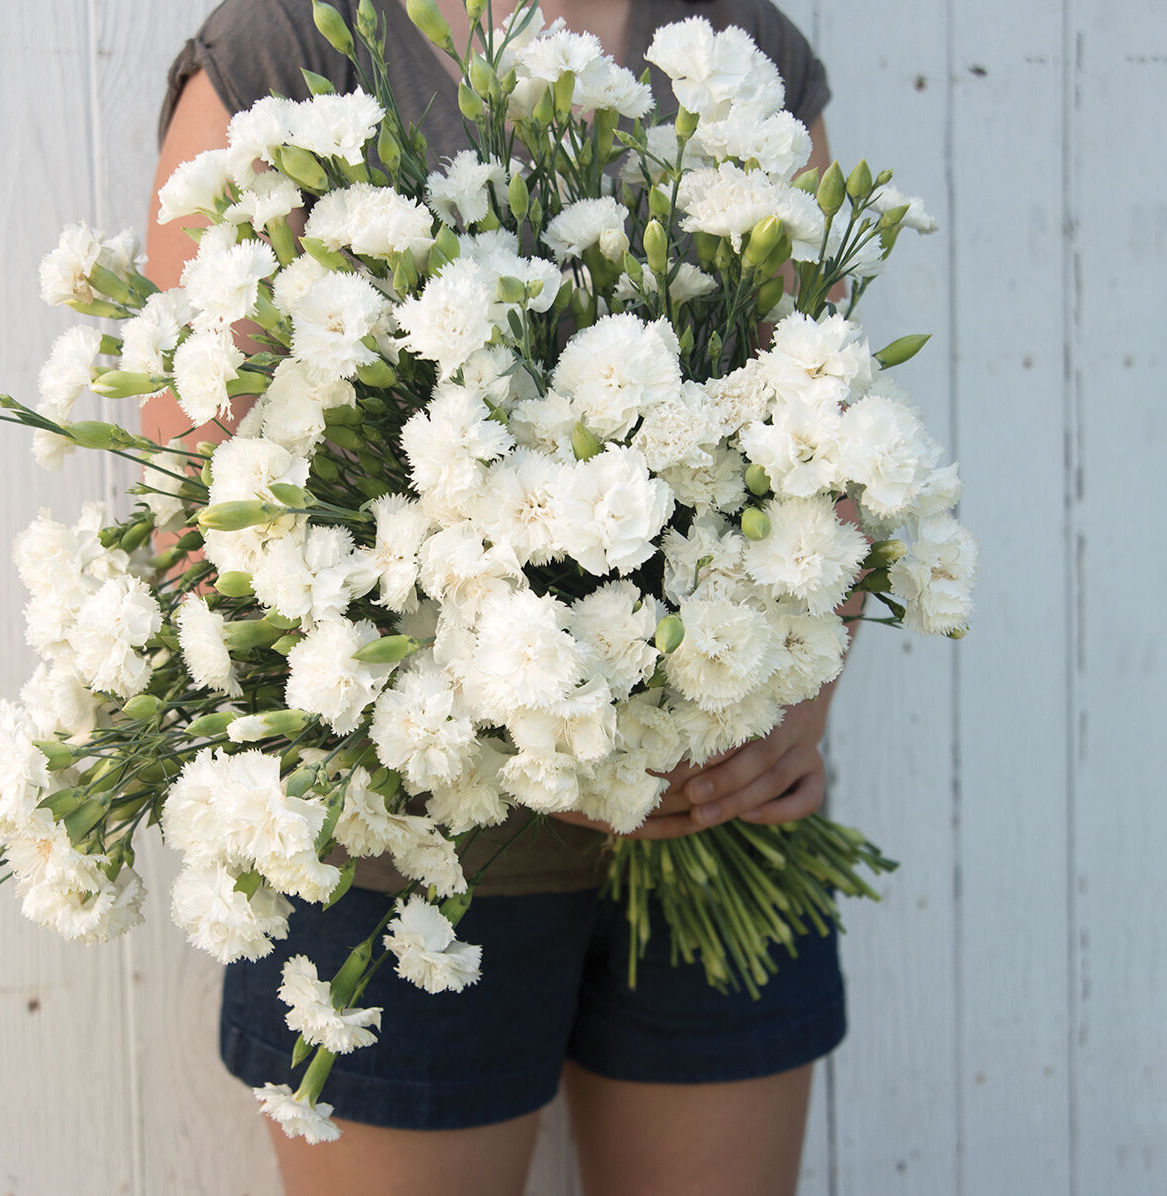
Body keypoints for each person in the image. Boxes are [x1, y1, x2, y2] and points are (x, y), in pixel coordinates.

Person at [146, 3, 856, 1192]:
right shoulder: (285, 52)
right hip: (398, 871)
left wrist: (798, 689)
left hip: (724, 812)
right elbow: (200, 525)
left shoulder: (742, 47)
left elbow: (828, 434)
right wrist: (532, 728)